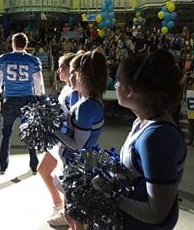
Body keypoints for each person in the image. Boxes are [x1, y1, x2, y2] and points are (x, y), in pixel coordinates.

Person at [111, 50, 186, 229]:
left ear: (130, 90)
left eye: (118, 81)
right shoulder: (142, 121)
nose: (115, 86)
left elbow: (157, 214)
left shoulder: (157, 138)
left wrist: (113, 196)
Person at [55, 50, 108, 230]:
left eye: (72, 72)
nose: (69, 76)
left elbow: (78, 146)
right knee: (71, 214)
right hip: (74, 163)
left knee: (76, 219)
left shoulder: (87, 106)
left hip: (77, 165)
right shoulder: (84, 98)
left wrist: (53, 130)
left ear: (82, 75)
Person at [0, 32, 45, 175]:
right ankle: (34, 165)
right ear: (26, 45)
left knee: (6, 133)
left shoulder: (4, 58)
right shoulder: (33, 60)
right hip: (27, 101)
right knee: (30, 133)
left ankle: (3, 165)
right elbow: (39, 84)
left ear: (13, 44)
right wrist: (40, 102)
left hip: (9, 100)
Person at [38, 53, 79, 227]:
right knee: (43, 170)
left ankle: (66, 214)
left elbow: (73, 123)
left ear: (71, 70)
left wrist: (54, 125)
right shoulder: (65, 89)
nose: (58, 70)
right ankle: (58, 205)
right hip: (58, 138)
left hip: (67, 142)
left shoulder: (75, 93)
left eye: (62, 67)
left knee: (67, 183)